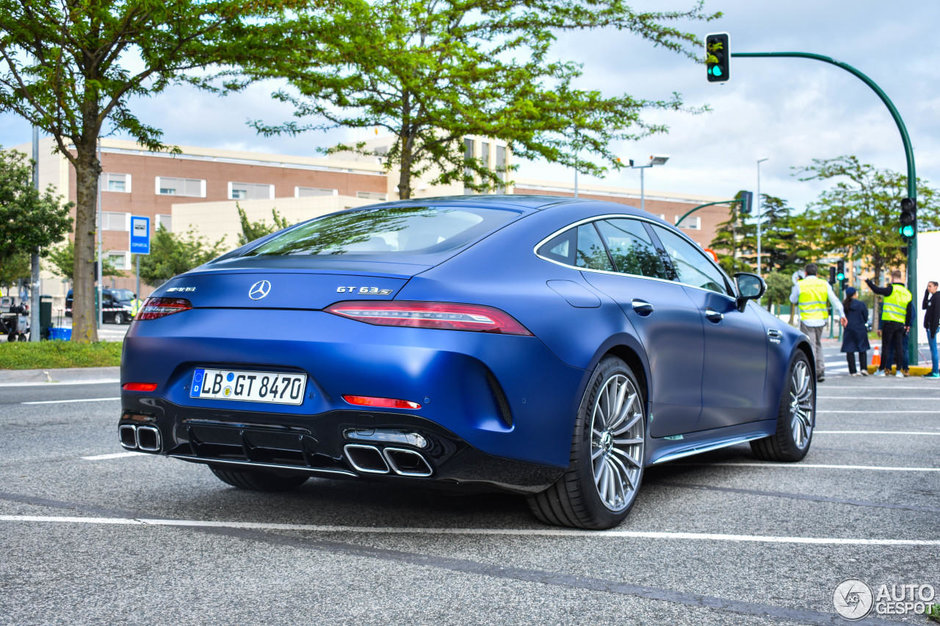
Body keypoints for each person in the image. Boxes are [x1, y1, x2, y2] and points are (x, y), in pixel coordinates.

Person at [790, 263, 846, 382]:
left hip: (807, 320)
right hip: (821, 320)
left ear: (805, 273)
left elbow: (792, 299)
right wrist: (842, 315)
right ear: (816, 273)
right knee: (818, 344)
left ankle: (812, 372)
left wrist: (796, 284)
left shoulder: (800, 284)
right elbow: (834, 300)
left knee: (811, 346)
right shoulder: (824, 284)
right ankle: (820, 371)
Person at [866, 270, 912, 377]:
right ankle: (900, 371)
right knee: (899, 347)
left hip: (889, 322)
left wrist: (867, 281)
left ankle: (882, 369)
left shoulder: (891, 289)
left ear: (892, 278)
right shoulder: (907, 293)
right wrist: (907, 324)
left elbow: (876, 290)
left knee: (886, 347)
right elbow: (908, 311)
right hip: (900, 323)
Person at [840, 287, 870, 376]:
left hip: (848, 328)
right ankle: (863, 368)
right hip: (860, 328)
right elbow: (866, 316)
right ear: (855, 294)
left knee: (850, 349)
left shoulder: (844, 305)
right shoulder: (861, 304)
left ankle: (852, 371)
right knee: (862, 349)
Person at [923, 281, 940, 378]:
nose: (928, 288)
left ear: (936, 287)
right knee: (932, 349)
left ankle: (935, 371)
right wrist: (926, 294)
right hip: (929, 327)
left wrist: (933, 329)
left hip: (932, 327)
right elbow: (924, 306)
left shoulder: (937, 297)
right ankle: (934, 370)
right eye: (927, 286)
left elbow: (937, 314)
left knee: (934, 350)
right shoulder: (932, 297)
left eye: (930, 286)